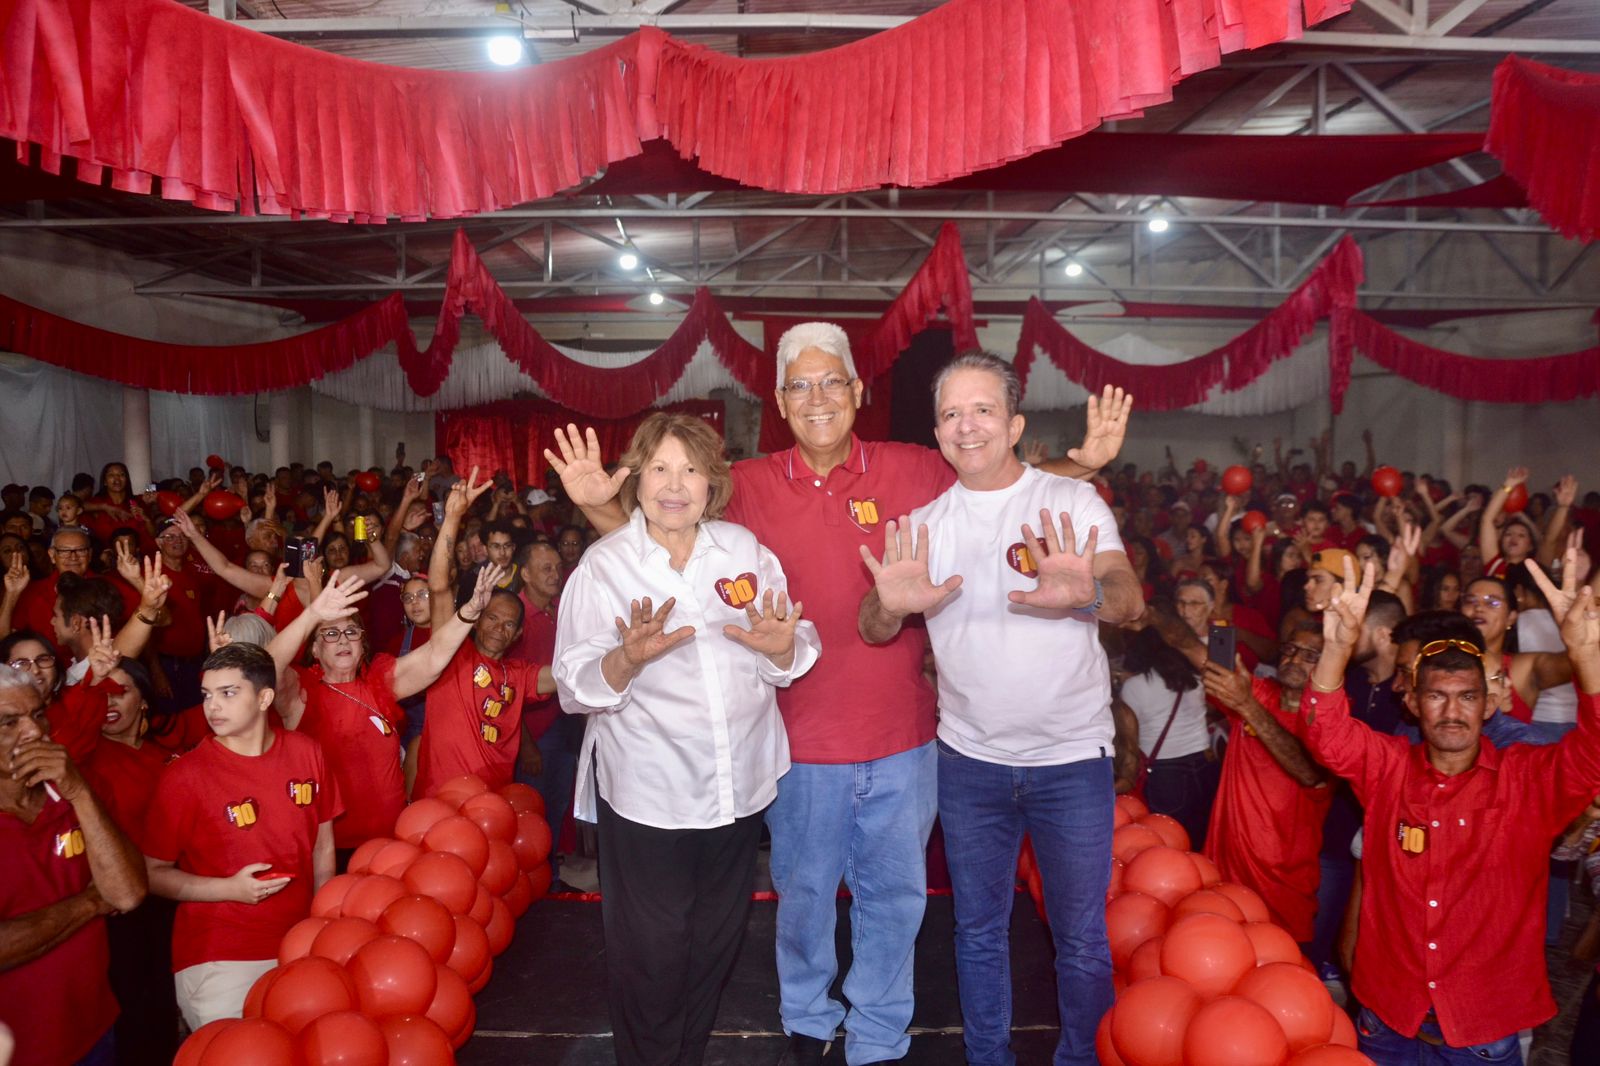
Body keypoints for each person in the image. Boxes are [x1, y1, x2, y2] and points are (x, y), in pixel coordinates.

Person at [549, 325, 1128, 1065]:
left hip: (908, 738)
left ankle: (881, 1030)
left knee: (896, 904)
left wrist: (1082, 464)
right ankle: (808, 1018)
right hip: (795, 742)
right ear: (781, 402)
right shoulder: (749, 484)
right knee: (805, 902)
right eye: (800, 385)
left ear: (858, 393)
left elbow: (997, 479)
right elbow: (668, 546)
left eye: (832, 382)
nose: (817, 398)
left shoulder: (915, 469)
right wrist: (605, 507)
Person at [858, 351, 1143, 1066]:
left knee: (1080, 936)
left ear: (1014, 423)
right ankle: (989, 1058)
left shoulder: (1072, 504)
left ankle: (1082, 1056)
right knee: (977, 931)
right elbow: (874, 624)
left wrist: (1089, 597)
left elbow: (1131, 602)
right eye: (952, 413)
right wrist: (887, 606)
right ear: (937, 432)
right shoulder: (924, 524)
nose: (968, 425)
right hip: (970, 763)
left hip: (1071, 760)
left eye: (983, 409)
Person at [554, 412, 821, 1066]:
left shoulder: (745, 552)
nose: (676, 485)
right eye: (660, 469)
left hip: (739, 789)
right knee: (651, 955)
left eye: (692, 470)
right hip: (649, 796)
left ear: (713, 484)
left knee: (713, 945)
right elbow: (572, 684)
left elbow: (792, 646)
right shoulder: (605, 566)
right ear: (636, 480)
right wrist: (624, 660)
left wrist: (783, 648)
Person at [1302, 553, 1600, 1062]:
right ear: (1414, 703)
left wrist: (1584, 653)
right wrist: (1335, 650)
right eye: (1436, 696)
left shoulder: (1528, 780)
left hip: (1482, 1026)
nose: (1453, 712)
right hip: (1388, 1016)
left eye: (1467, 697)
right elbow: (1324, 732)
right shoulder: (1387, 767)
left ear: (1489, 705)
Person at [141, 642, 342, 1029]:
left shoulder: (306, 752)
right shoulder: (185, 776)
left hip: (301, 944)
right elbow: (150, 873)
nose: (212, 706)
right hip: (220, 956)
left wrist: (323, 926)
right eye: (206, 695)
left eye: (228, 693)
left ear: (265, 697)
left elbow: (323, 846)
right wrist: (228, 890)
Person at [264, 565, 508, 854]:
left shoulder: (379, 682)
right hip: (331, 848)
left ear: (362, 645)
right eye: (330, 633)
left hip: (390, 843)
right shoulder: (301, 693)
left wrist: (471, 609)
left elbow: (433, 656)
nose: (343, 639)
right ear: (314, 649)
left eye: (351, 632)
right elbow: (268, 667)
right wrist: (313, 614)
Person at [0, 664, 148, 1066]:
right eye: (8, 722)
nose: (34, 732)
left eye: (38, 713)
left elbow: (129, 892)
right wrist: (89, 904)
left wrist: (78, 791)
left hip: (93, 1029)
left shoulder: (69, 788)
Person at [413, 471, 554, 797]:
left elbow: (566, 677)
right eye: (491, 618)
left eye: (508, 625)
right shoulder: (450, 657)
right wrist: (452, 518)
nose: (498, 629)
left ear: (518, 634)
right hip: (439, 803)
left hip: (491, 812)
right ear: (476, 620)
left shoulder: (518, 674)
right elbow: (438, 588)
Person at [1200, 619, 1332, 945]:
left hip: (1282, 887)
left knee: (1277, 979)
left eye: (1310, 655)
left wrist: (1247, 706)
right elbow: (1192, 653)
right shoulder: (1259, 691)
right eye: (1290, 649)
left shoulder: (1335, 720)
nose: (1294, 660)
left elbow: (1310, 772)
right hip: (1225, 875)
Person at [1114, 625, 1217, 848]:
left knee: (1170, 842)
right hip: (1205, 767)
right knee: (1202, 838)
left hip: (1166, 774)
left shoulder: (1135, 686)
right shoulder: (1194, 678)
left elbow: (1129, 732)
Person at [509, 541, 573, 880]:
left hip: (562, 724)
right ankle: (534, 883)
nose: (555, 574)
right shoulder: (514, 617)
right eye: (546, 568)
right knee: (531, 815)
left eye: (558, 567)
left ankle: (550, 878)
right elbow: (506, 689)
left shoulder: (559, 609)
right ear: (525, 574)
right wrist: (525, 743)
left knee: (556, 807)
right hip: (533, 732)